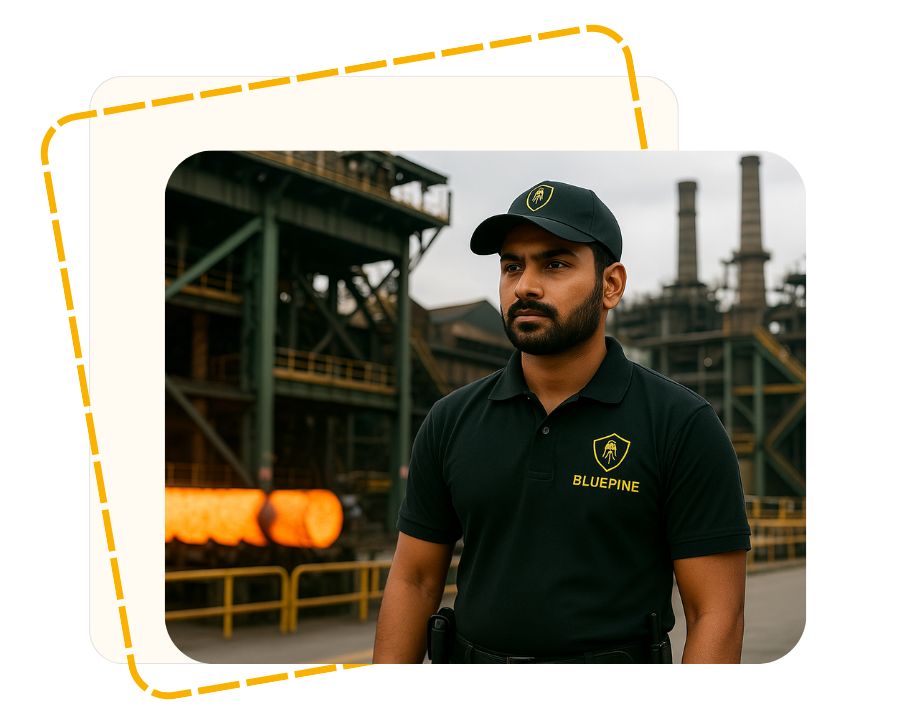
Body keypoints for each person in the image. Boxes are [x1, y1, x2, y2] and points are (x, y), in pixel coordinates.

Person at [372, 180, 751, 664]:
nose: (525, 286)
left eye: (555, 264)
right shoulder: (451, 420)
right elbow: (415, 580)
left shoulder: (681, 425)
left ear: (611, 285)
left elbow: (715, 614)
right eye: (512, 266)